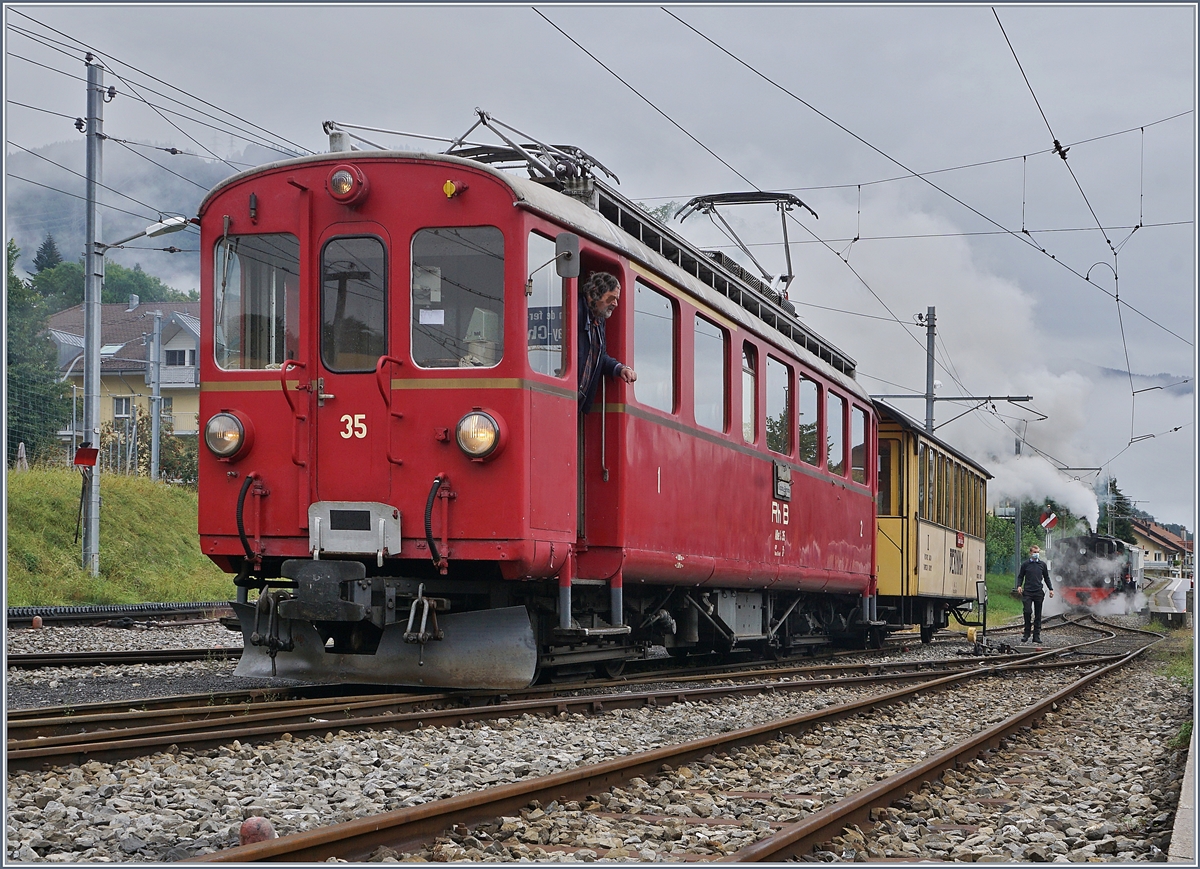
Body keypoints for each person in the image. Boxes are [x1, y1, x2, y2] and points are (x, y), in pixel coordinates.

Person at [578, 271, 636, 413]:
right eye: (612, 297)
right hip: (562, 395)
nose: (616, 304)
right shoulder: (575, 311)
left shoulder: (598, 321)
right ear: (595, 292)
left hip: (576, 402)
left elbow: (599, 356)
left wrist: (620, 368)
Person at [1013, 544, 1054, 644]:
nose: (1036, 554)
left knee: (1038, 614)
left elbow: (1046, 577)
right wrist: (1019, 585)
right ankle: (1026, 633)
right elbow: (1020, 576)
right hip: (1027, 592)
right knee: (1027, 611)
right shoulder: (1025, 564)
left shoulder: (1042, 565)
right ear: (1030, 553)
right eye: (1034, 552)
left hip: (1038, 592)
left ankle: (1037, 635)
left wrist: (1051, 589)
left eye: (1038, 552)